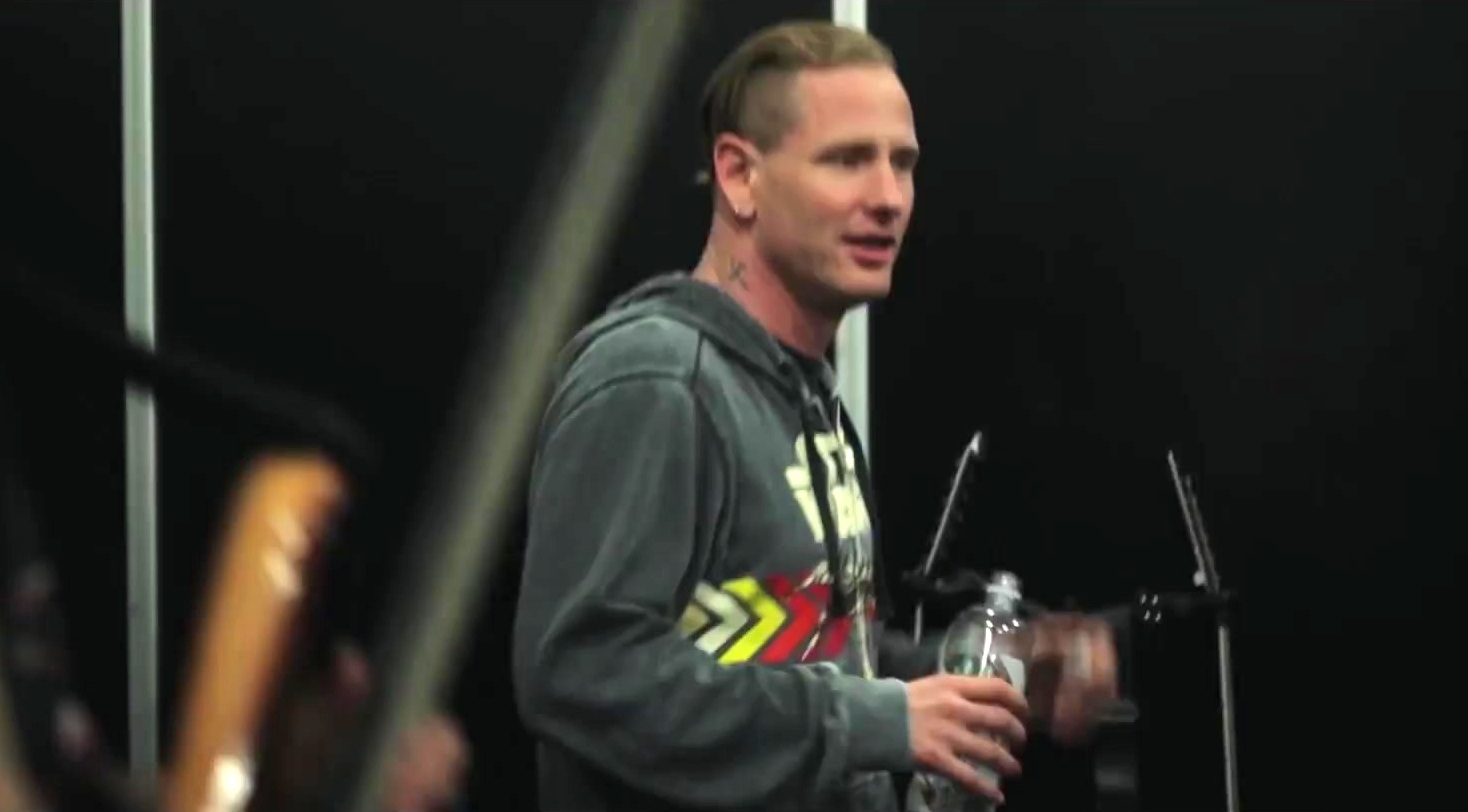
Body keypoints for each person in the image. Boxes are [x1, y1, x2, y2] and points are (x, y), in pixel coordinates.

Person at [513, 20, 1116, 812]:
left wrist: (984, 673)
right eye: (847, 160)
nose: (888, 197)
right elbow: (582, 673)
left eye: (903, 164)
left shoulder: (803, 396)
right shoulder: (657, 381)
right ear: (740, 176)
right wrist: (879, 719)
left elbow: (814, 654)